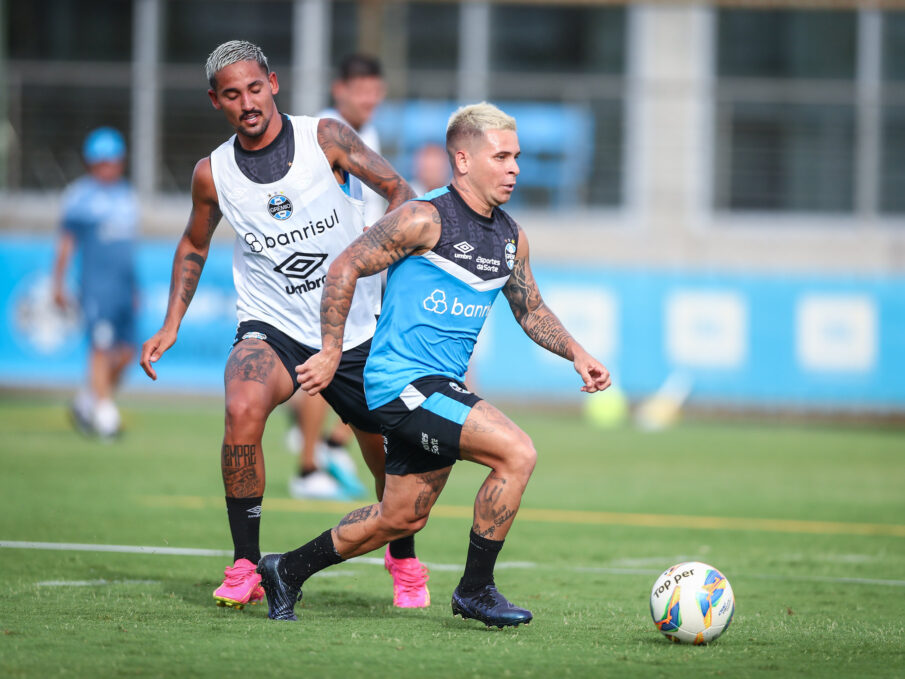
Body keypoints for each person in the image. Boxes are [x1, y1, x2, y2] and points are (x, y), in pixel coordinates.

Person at [256, 102, 612, 626]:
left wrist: (578, 353)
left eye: (518, 157)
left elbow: (529, 308)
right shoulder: (424, 217)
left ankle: (285, 569)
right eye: (503, 156)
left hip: (437, 389)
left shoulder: (510, 237)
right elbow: (346, 265)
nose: (515, 167)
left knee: (400, 517)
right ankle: (475, 590)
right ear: (463, 160)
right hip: (401, 384)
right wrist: (332, 349)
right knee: (517, 453)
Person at [139, 40, 431, 611]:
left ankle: (403, 560)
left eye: (253, 88)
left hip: (352, 330)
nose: (246, 102)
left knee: (382, 456)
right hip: (270, 326)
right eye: (231, 94)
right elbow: (194, 241)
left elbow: (400, 191)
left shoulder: (326, 138)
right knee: (241, 405)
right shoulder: (212, 174)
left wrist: (388, 258)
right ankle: (246, 564)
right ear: (214, 101)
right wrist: (172, 322)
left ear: (273, 83)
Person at [285, 53, 388, 502]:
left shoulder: (369, 135)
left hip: (367, 271)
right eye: (359, 88)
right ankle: (308, 467)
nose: (367, 97)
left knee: (359, 369)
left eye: (374, 89)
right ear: (339, 90)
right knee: (325, 364)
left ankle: (332, 445)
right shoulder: (323, 136)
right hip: (333, 273)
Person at [52, 127, 139, 439]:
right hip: (95, 287)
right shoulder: (79, 197)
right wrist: (58, 283)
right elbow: (66, 243)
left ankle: (88, 400)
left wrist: (134, 287)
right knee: (101, 347)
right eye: (102, 162)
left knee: (128, 352)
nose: (109, 167)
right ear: (91, 163)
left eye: (113, 161)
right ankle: (104, 412)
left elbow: (128, 250)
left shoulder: (127, 196)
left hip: (122, 289)